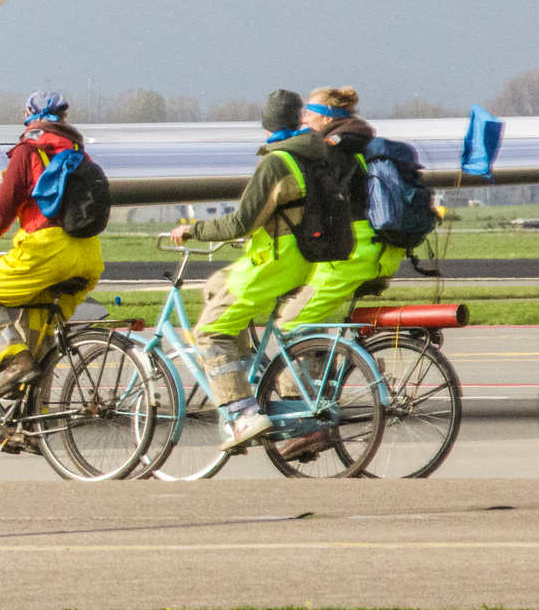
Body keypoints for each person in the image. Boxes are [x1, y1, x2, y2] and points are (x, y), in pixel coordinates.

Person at [170, 88, 349, 450]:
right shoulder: (312, 155)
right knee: (215, 286)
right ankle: (255, 373)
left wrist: (194, 230)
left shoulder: (277, 162)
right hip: (303, 261)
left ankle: (242, 414)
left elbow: (241, 222)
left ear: (267, 125)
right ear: (298, 119)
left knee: (211, 332)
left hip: (273, 264)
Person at [0, 93, 105, 444]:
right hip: (88, 256)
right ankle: (29, 430)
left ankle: (13, 362)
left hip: (46, 253)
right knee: (39, 348)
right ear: (63, 118)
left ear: (28, 115)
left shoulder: (28, 152)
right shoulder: (78, 153)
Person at [278, 88, 406, 328]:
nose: (304, 119)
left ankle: (311, 352)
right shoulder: (360, 144)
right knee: (307, 316)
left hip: (351, 253)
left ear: (327, 117)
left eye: (309, 112)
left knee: (289, 323)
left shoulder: (332, 151)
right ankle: (320, 351)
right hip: (380, 250)